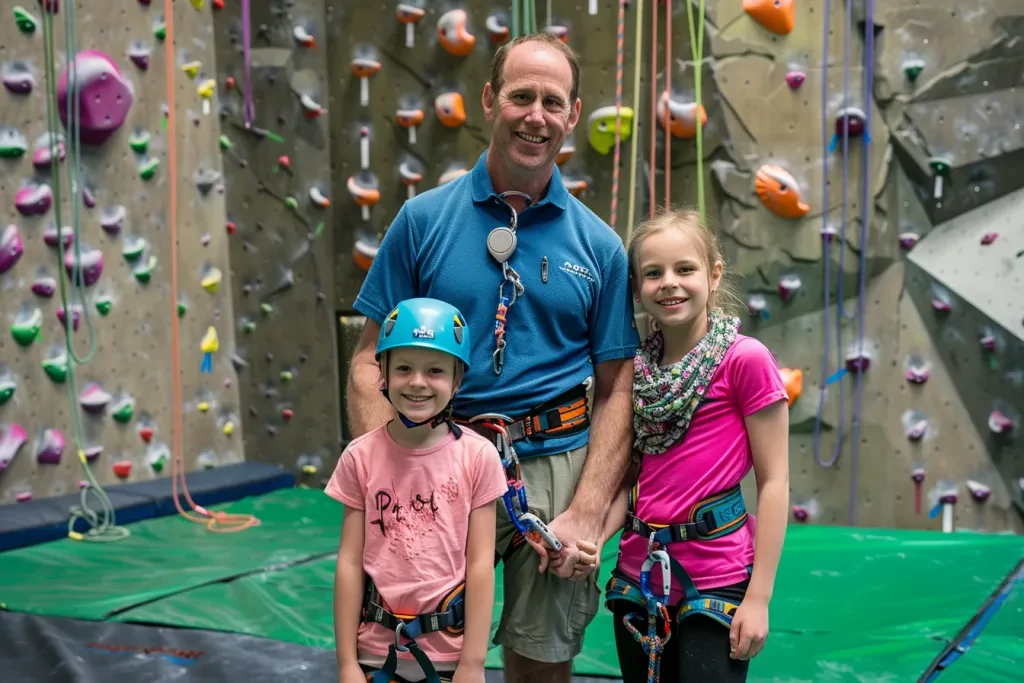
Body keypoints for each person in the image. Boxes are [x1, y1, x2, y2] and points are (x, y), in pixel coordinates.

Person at [346, 32, 640, 683]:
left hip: (555, 464)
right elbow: (370, 358)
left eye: (552, 101)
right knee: (421, 653)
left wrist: (589, 507)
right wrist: (392, 472)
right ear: (489, 100)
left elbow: (619, 386)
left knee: (542, 662)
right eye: (521, 96)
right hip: (437, 458)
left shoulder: (601, 247)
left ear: (571, 114)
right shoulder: (422, 222)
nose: (536, 114)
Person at [599, 208, 790, 683]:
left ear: (714, 273)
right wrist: (589, 542)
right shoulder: (637, 370)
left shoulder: (745, 361)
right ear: (637, 287)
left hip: (718, 574)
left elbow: (775, 481)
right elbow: (627, 480)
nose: (670, 283)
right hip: (638, 573)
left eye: (685, 269)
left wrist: (759, 597)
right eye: (653, 273)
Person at [329, 298, 509, 683]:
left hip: (448, 655)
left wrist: (472, 664)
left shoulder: (477, 457)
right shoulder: (360, 457)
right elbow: (349, 562)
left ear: (457, 379)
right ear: (384, 373)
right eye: (405, 368)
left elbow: (480, 566)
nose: (417, 382)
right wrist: (346, 662)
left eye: (435, 370)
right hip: (376, 654)